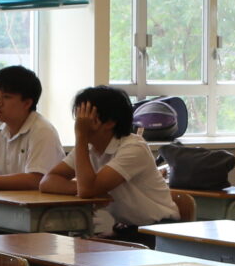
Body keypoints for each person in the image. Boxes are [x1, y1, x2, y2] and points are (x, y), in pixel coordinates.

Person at [40, 86, 179, 238]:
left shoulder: (134, 147)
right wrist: (82, 188)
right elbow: (47, 182)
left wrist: (80, 136)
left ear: (110, 122)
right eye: (79, 117)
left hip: (159, 230)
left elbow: (86, 190)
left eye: (85, 116)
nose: (80, 123)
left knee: (82, 247)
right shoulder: (88, 148)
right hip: (126, 229)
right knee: (73, 245)